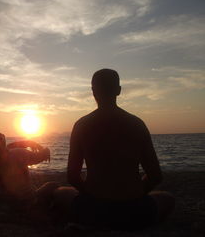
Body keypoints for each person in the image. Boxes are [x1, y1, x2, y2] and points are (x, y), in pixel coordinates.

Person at [56, 69, 175, 230]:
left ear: (93, 92)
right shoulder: (137, 124)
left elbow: (72, 177)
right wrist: (135, 194)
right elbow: (155, 176)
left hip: (93, 211)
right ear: (118, 90)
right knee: (167, 198)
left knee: (60, 192)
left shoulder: (81, 125)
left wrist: (91, 195)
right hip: (135, 211)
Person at [0, 131, 59, 211]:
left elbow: (9, 148)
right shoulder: (19, 154)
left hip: (3, 200)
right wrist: (46, 150)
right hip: (26, 201)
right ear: (1, 148)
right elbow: (39, 157)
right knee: (52, 185)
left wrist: (27, 142)